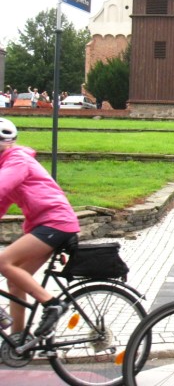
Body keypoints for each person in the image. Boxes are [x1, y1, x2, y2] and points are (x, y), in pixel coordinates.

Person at [0, 118, 80, 337]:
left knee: (4, 262)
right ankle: (17, 340)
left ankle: (52, 303)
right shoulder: (8, 163)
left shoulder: (17, 160)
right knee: (16, 280)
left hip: (55, 223)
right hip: (47, 224)